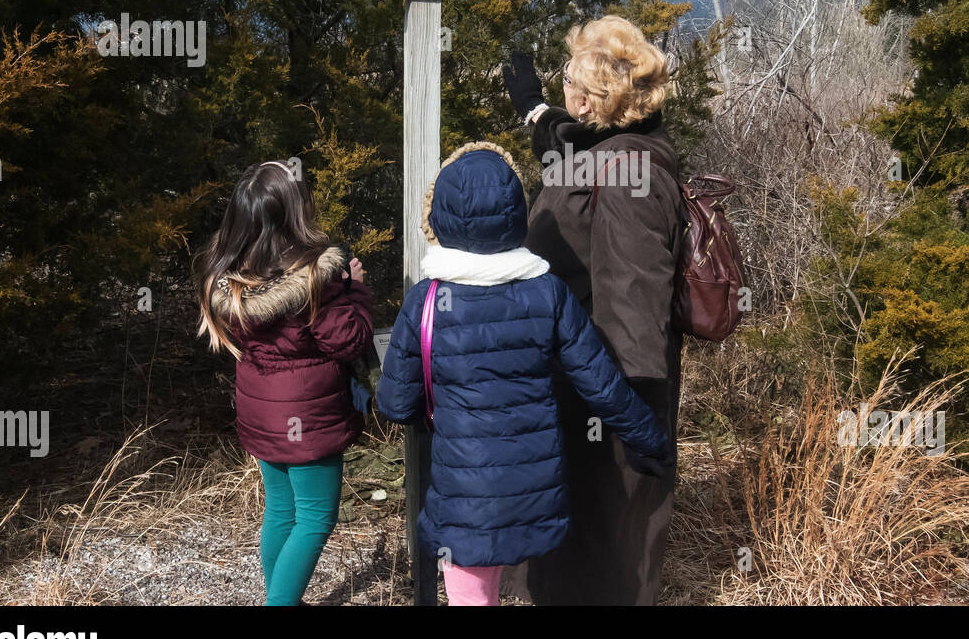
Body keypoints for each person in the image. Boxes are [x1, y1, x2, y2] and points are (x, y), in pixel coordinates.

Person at [375, 142, 670, 606]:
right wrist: (648, 438)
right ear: (517, 214)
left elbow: (394, 404)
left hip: (463, 493)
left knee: (473, 595)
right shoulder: (547, 292)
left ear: (440, 218)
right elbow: (601, 383)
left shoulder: (427, 301)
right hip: (533, 490)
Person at [503, 16, 685, 605]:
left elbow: (633, 313)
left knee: (600, 560)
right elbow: (563, 145)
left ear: (590, 97)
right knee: (568, 551)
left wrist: (629, 423)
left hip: (606, 400)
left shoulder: (631, 178)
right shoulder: (608, 147)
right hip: (575, 387)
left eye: (567, 79)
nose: (561, 88)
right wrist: (530, 107)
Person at [195, 160, 373, 606]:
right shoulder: (316, 277)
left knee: (280, 509)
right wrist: (358, 291)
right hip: (310, 418)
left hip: (260, 413)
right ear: (296, 213)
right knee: (315, 517)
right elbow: (348, 341)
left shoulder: (228, 279)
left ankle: (280, 597)